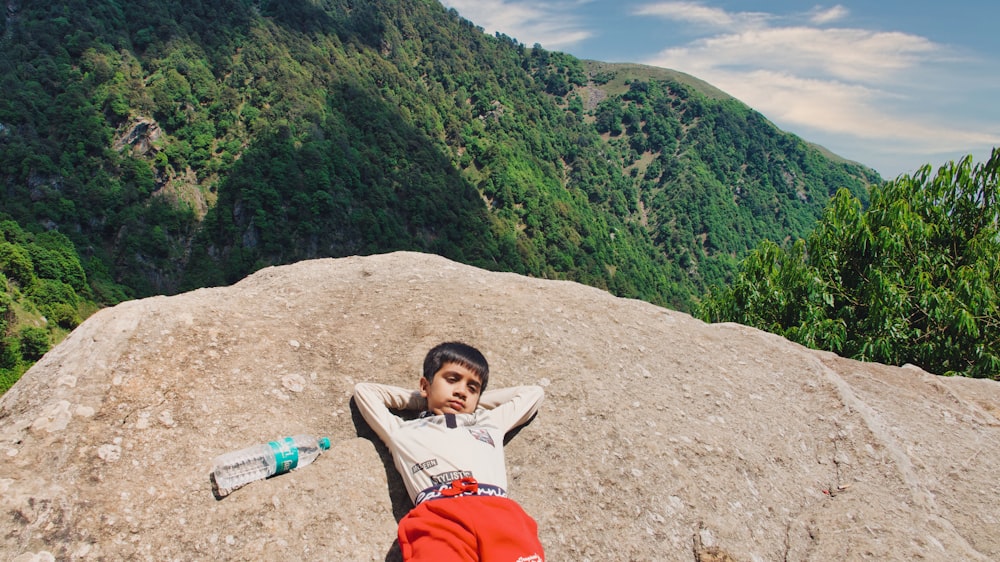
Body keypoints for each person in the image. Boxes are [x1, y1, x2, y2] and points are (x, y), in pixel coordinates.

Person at [353, 341, 545, 562]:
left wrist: (475, 404)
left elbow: (533, 394)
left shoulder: (488, 423)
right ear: (425, 385)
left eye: (472, 388)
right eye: (452, 380)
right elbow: (364, 391)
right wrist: (424, 399)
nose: (462, 391)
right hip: (439, 517)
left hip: (498, 514)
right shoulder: (401, 431)